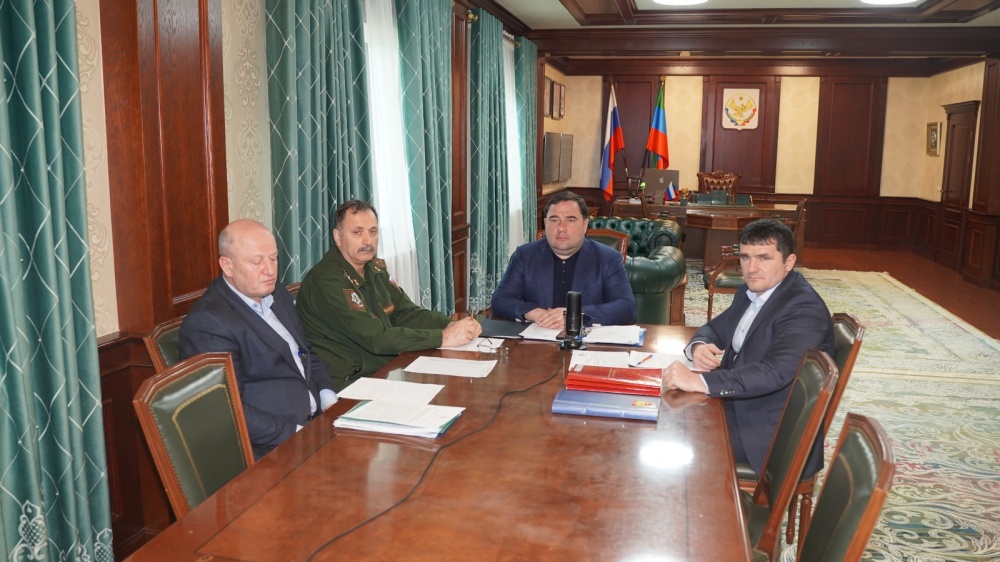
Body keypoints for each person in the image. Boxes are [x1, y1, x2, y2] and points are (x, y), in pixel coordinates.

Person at [663, 218, 834, 477]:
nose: (751, 268)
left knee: (674, 435)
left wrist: (701, 382)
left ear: (789, 262)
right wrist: (699, 346)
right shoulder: (751, 291)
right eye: (745, 257)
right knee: (663, 413)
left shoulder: (804, 309)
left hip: (769, 432)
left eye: (764, 258)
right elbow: (715, 329)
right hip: (741, 404)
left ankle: (697, 499)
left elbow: (774, 372)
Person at [179, 219, 338, 460]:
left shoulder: (277, 293)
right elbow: (227, 408)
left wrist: (329, 400)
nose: (270, 270)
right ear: (227, 266)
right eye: (257, 262)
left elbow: (305, 352)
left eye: (273, 259)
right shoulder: (209, 323)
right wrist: (299, 434)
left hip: (318, 423)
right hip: (270, 449)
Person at [296, 200, 481, 390]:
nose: (367, 241)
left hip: (384, 369)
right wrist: (442, 337)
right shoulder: (327, 281)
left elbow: (406, 313)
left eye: (373, 232)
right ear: (338, 236)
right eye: (357, 232)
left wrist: (449, 325)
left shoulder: (374, 268)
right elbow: (376, 338)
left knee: (457, 386)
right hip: (349, 382)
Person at [490, 191, 635, 328]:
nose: (561, 228)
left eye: (570, 220)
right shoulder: (525, 255)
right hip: (538, 337)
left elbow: (626, 307)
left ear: (585, 225)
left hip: (586, 340)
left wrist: (575, 315)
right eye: (554, 220)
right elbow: (500, 299)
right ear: (546, 223)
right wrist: (533, 312)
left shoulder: (608, 258)